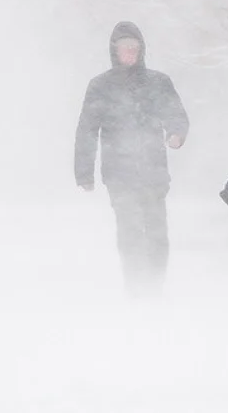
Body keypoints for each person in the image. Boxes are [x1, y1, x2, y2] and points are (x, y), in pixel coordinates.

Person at [74, 22, 189, 296]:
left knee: (157, 235)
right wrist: (84, 173)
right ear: (114, 51)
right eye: (124, 47)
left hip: (154, 173)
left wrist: (176, 134)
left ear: (141, 50)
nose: (130, 52)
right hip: (119, 175)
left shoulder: (158, 82)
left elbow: (176, 114)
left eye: (134, 47)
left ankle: (155, 289)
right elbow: (87, 129)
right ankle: (137, 291)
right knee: (131, 234)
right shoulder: (100, 86)